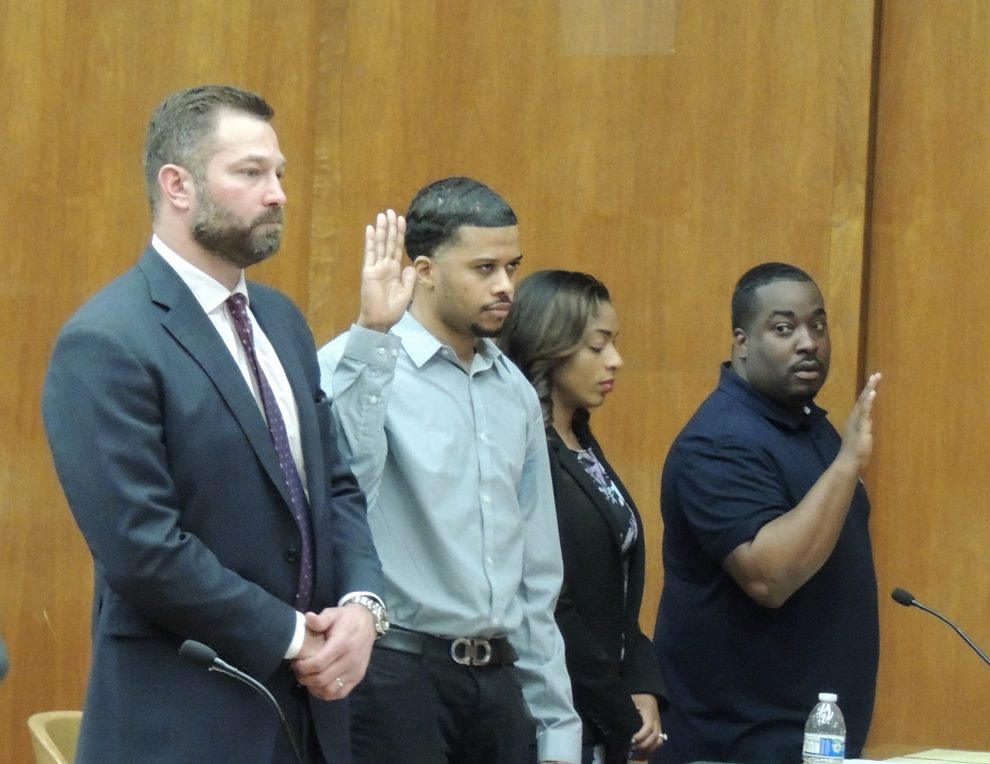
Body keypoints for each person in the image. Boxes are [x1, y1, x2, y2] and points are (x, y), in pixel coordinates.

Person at [42, 84, 387, 763]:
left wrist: (361, 605)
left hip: (313, 722)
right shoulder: (108, 340)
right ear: (178, 185)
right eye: (251, 172)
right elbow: (144, 548)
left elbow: (335, 486)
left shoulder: (282, 322)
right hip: (184, 722)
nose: (278, 193)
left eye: (280, 173)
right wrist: (293, 636)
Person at [318, 177, 582, 764]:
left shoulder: (513, 387)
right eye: (484, 268)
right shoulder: (352, 363)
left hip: (499, 681)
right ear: (424, 270)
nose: (506, 287)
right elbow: (341, 500)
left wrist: (558, 727)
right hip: (394, 677)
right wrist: (372, 335)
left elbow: (536, 572)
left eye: (512, 267)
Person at [651, 262, 881, 764]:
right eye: (784, 328)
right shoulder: (718, 441)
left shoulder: (808, 428)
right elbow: (769, 577)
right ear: (742, 342)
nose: (809, 343)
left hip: (807, 741)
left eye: (817, 325)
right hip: (734, 745)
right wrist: (849, 465)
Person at [499, 270, 667, 764]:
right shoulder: (530, 453)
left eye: (613, 343)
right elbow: (552, 600)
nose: (614, 360)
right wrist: (619, 709)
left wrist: (642, 684)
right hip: (549, 716)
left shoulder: (582, 443)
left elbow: (618, 588)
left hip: (604, 712)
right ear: (550, 348)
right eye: (597, 347)